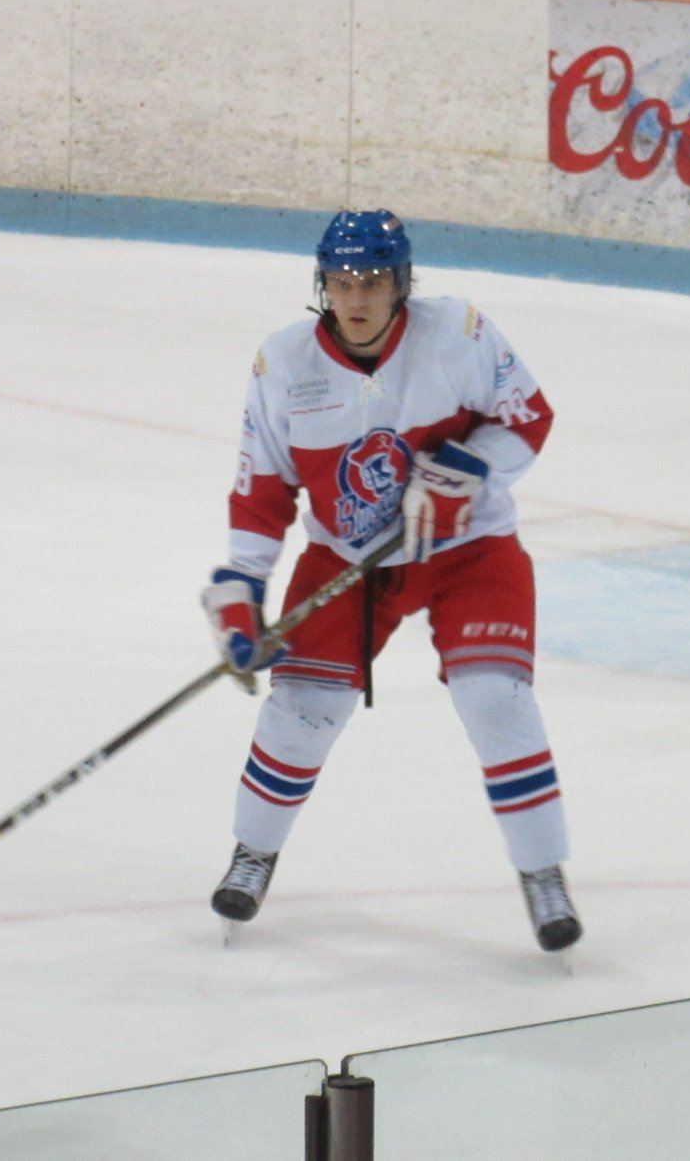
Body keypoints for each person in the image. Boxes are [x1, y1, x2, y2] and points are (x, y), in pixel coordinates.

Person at [201, 211, 580, 952]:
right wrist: (241, 592)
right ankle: (253, 854)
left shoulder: (460, 334)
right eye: (341, 283)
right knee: (302, 709)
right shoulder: (283, 367)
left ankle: (543, 873)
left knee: (495, 699)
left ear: (402, 282)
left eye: (373, 281)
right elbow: (261, 492)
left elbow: (528, 418)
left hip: (468, 548)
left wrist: (468, 471)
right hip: (348, 562)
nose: (357, 299)